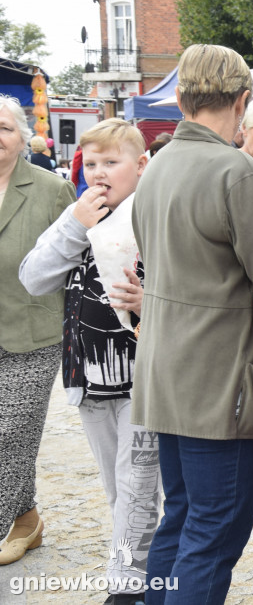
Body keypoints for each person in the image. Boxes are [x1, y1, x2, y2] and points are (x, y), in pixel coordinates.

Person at [131, 44, 253, 604]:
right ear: (242, 101)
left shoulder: (161, 160)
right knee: (211, 535)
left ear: (180, 96)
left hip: (167, 375)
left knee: (183, 519)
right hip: (219, 387)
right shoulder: (235, 172)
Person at [19, 118, 158, 605]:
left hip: (143, 380)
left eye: (111, 163)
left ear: (140, 166)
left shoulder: (152, 212)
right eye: (91, 163)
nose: (99, 174)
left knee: (138, 488)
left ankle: (125, 590)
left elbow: (179, 289)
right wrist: (75, 224)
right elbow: (34, 277)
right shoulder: (79, 216)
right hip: (87, 377)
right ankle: (142, 576)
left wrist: (149, 300)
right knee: (118, 491)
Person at [0, 94, 76, 565]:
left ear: (23, 138)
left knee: (11, 432)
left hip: (33, 333)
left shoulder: (49, 190)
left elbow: (76, 262)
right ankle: (26, 519)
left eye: (4, 129)